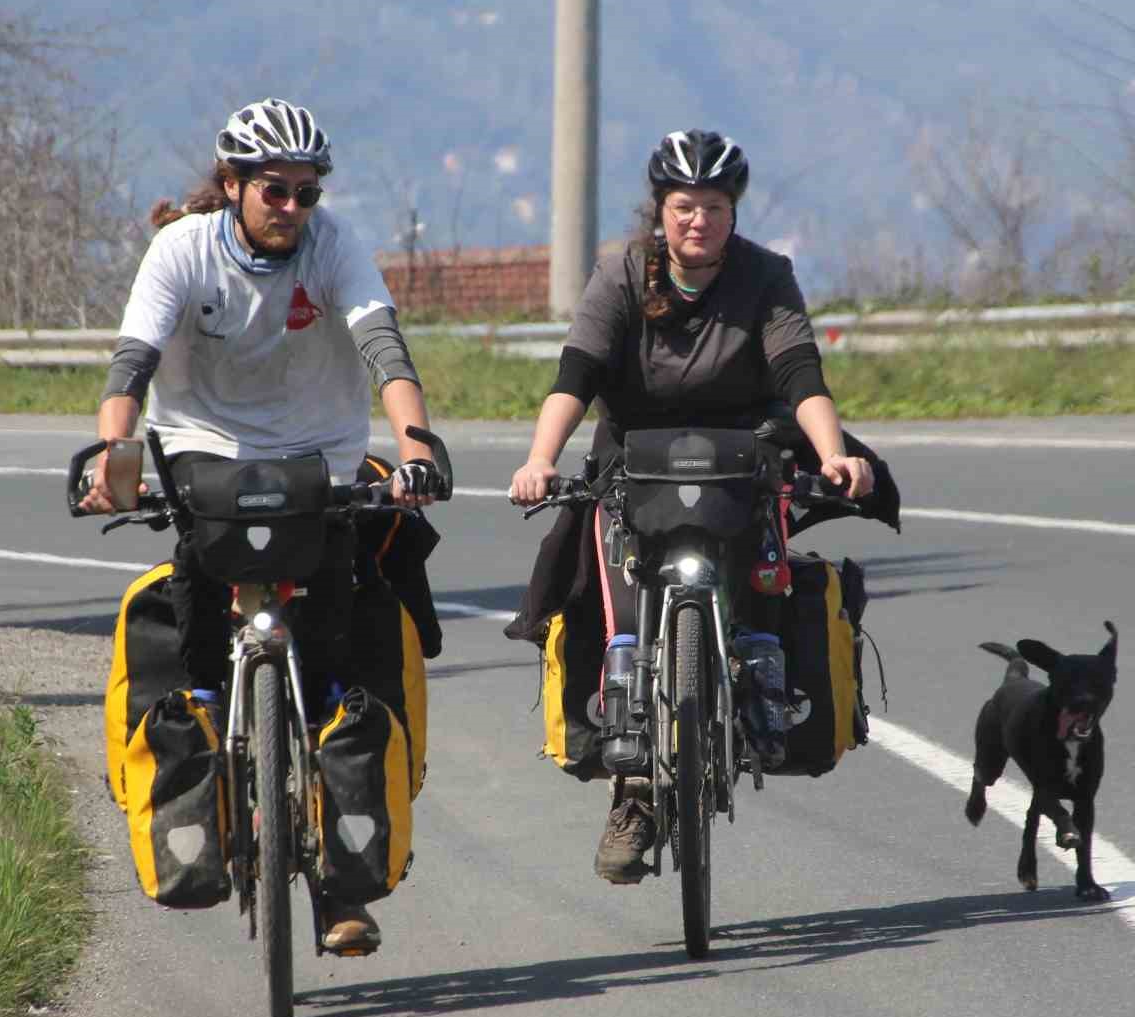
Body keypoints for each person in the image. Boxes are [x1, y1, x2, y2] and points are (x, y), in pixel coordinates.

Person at [79, 97, 442, 953]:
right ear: (233, 183)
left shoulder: (335, 246)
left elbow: (383, 346)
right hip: (205, 456)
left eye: (307, 192)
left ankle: (340, 888)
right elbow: (131, 362)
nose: (292, 208)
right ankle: (201, 814)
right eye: (274, 189)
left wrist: (417, 445)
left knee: (334, 669)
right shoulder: (182, 250)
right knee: (199, 655)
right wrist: (113, 457)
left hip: (321, 460)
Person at [507, 128, 875, 884]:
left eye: (713, 206)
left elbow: (801, 372)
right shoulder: (621, 273)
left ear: (732, 212)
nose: (697, 221)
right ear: (660, 210)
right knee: (614, 620)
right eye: (683, 207)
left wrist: (833, 452)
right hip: (634, 468)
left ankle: (764, 689)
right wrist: (541, 460)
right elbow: (574, 373)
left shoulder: (766, 276)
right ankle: (633, 793)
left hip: (741, 465)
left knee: (770, 575)